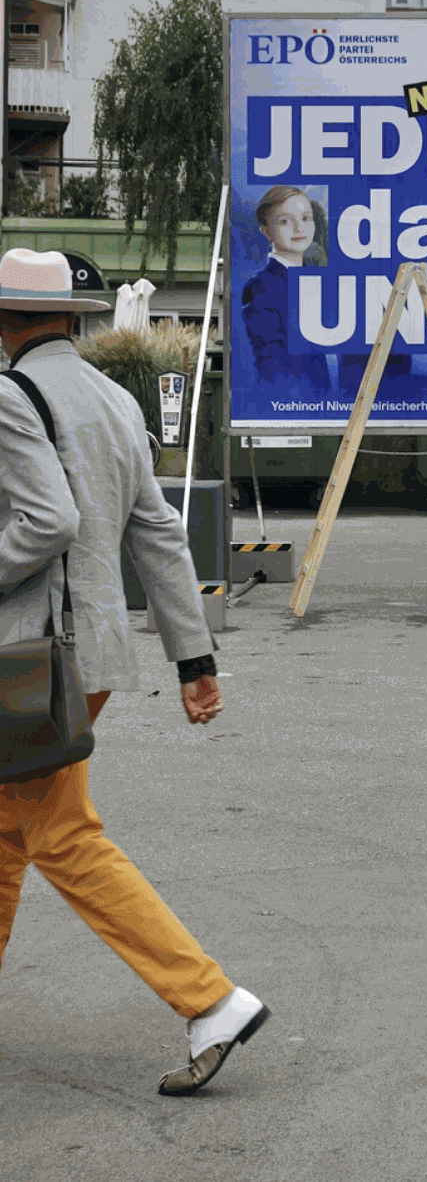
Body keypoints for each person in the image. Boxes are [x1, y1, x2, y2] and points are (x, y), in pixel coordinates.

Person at [0, 248, 270, 1097]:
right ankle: (207, 998)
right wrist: (195, 657)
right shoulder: (112, 398)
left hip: (31, 656)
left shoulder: (10, 397)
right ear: (73, 318)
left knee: (61, 834)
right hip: (90, 655)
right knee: (12, 826)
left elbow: (46, 519)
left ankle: (210, 999)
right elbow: (157, 531)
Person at [241, 184, 330, 394]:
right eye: (285, 221)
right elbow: (271, 361)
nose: (299, 228)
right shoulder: (261, 286)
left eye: (306, 218)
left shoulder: (313, 279)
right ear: (266, 231)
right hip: (293, 405)